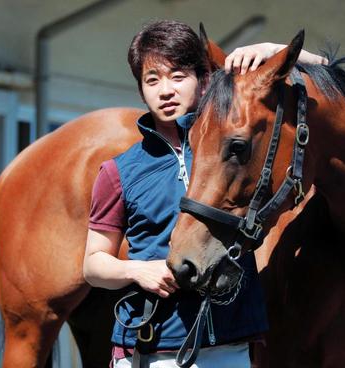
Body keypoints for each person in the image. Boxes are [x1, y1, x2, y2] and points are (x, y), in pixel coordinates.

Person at [83, 20, 326, 368]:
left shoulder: (232, 152)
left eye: (178, 76)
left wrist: (272, 52)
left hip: (232, 346)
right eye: (152, 80)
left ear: (204, 80)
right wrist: (137, 271)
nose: (165, 90)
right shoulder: (119, 171)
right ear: (141, 91)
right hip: (153, 347)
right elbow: (93, 265)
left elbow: (328, 73)